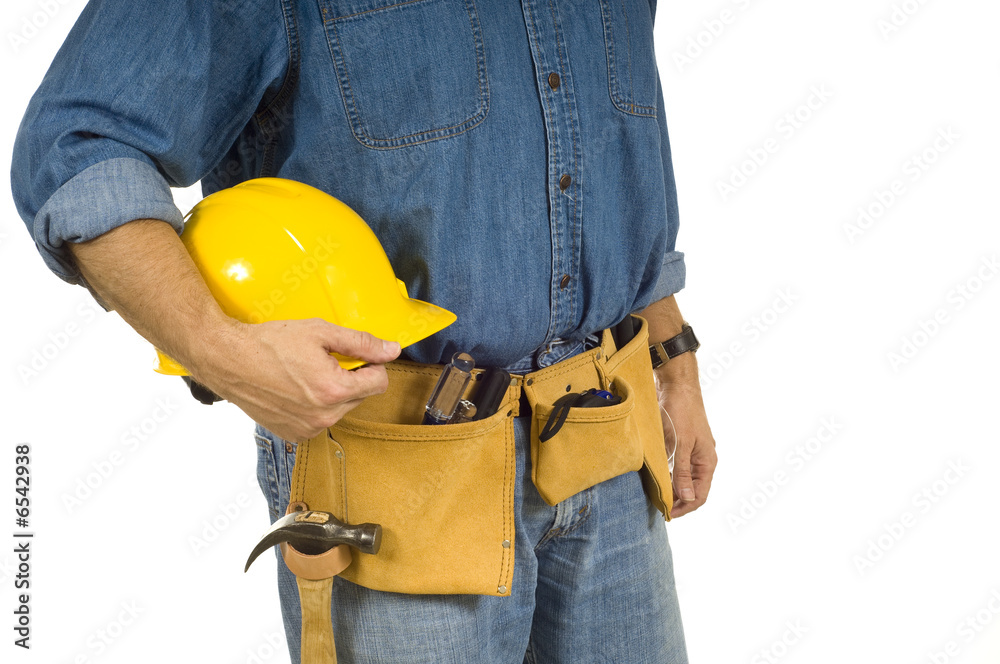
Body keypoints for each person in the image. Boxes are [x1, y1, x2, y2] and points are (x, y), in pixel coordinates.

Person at [12, 1, 717, 662]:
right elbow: (77, 147)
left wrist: (675, 364)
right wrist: (219, 351)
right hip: (394, 465)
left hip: (610, 434)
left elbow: (619, 156)